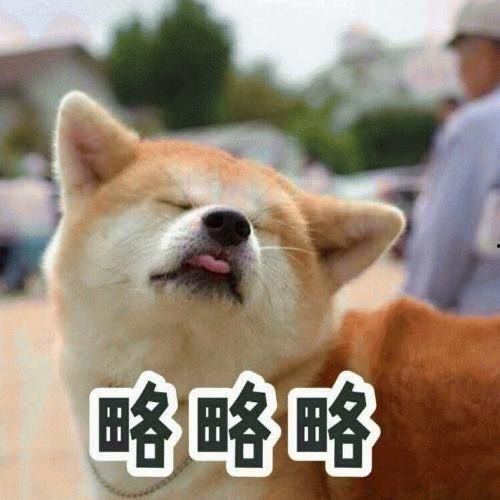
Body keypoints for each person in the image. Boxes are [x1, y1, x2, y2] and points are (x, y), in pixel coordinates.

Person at [404, 0, 500, 315]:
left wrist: (417, 307)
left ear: (486, 52)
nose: (460, 70)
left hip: (479, 327)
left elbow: (445, 242)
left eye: (462, 56)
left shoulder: (475, 126)